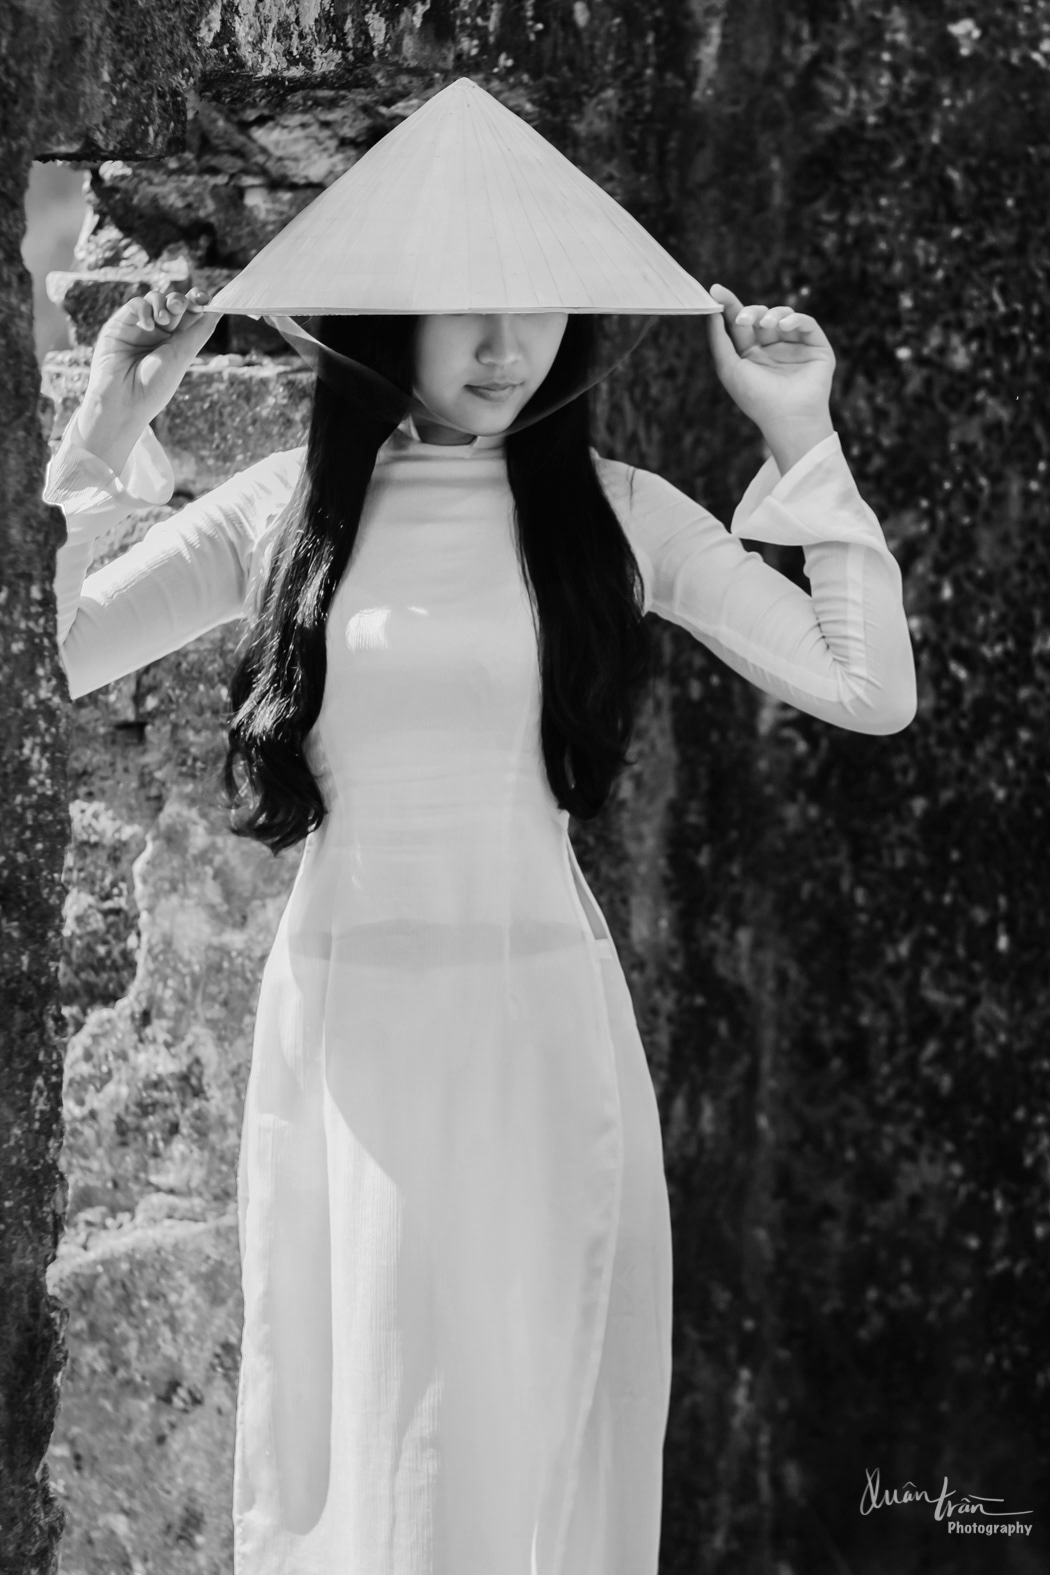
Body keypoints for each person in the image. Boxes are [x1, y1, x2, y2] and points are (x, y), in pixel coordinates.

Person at [42, 88, 916, 1575]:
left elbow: (866, 688)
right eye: (466, 307)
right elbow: (44, 656)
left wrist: (799, 432)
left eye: (540, 305)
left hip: (539, 1034)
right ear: (389, 312)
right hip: (352, 1044)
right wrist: (105, 432)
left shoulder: (615, 513)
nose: (510, 346)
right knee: (363, 1423)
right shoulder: (283, 511)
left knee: (537, 1427)